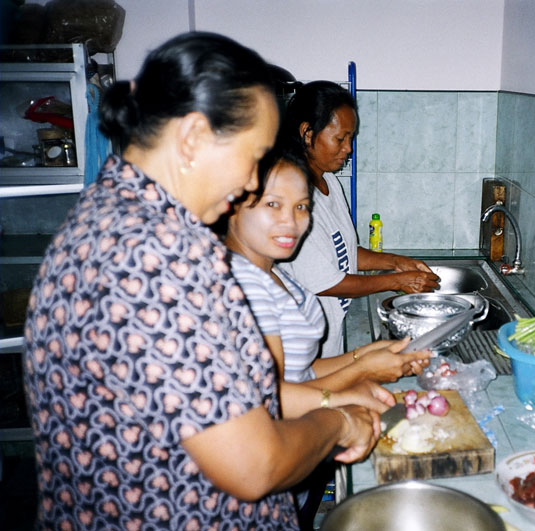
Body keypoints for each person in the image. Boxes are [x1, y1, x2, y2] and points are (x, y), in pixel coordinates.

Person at [22, 32, 381, 530]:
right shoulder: (155, 258)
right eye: (253, 157)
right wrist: (339, 421)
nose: (253, 183)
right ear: (192, 138)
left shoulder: (113, 217)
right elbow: (254, 466)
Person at [222, 143, 432, 528]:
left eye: (301, 206)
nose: (291, 221)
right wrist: (347, 392)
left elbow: (300, 368)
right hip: (278, 460)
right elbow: (272, 399)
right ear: (234, 204)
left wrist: (365, 356)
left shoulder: (271, 268)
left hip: (299, 456)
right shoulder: (244, 286)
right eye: (273, 205)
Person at [280, 81, 441, 358]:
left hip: (332, 333)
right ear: (307, 133)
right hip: (307, 346)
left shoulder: (329, 181)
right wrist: (397, 281)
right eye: (340, 139)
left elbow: (343, 252)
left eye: (350, 139)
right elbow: (326, 282)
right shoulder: (293, 197)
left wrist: (395, 262)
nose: (348, 149)